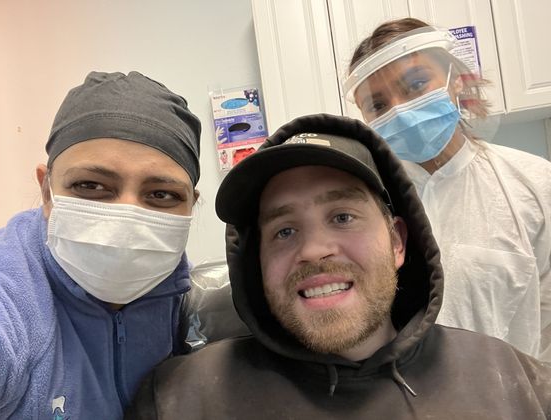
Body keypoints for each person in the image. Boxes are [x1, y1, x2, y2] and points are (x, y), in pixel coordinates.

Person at [126, 113, 551, 419]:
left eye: (342, 217)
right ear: (257, 261)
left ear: (398, 242)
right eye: (284, 231)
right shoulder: (180, 401)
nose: (313, 250)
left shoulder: (516, 386)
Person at [0, 71, 202, 419]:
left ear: (189, 203)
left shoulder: (171, 286)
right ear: (47, 191)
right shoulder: (8, 287)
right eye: (90, 186)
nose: (127, 221)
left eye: (161, 194)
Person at [342, 18, 551, 361]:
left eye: (416, 84)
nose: (400, 109)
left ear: (455, 82)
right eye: (378, 105)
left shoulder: (534, 184)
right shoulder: (365, 205)